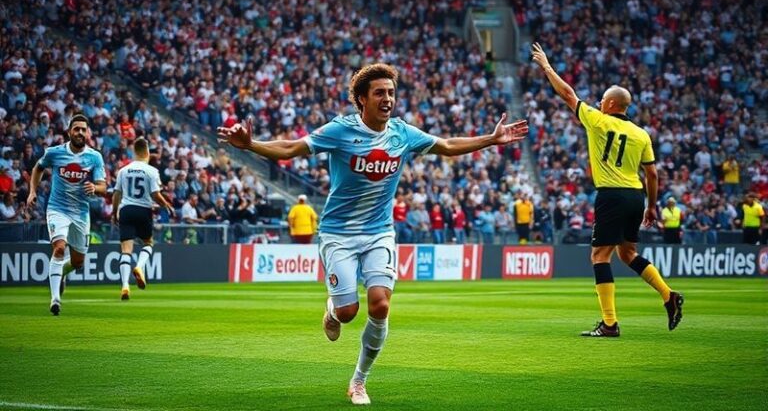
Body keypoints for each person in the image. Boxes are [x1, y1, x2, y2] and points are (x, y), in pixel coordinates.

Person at [217, 63, 528, 404]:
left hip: (379, 233)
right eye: (379, 92)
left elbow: (448, 145)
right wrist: (252, 145)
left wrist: (491, 139)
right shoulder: (340, 130)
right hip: (338, 233)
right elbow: (292, 148)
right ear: (361, 99)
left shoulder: (402, 133)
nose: (388, 99)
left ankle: (359, 381)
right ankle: (333, 311)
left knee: (380, 305)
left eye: (391, 92)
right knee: (349, 312)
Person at [531, 43, 683, 337]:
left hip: (611, 194)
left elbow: (568, 95)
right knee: (627, 254)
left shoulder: (598, 121)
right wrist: (652, 206)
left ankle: (610, 323)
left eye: (602, 99)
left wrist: (547, 67)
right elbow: (651, 172)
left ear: (612, 105)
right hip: (636, 196)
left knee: (600, 256)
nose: (599, 102)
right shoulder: (642, 134)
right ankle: (668, 295)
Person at [26, 114, 106, 316]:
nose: (80, 132)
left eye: (83, 129)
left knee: (78, 262)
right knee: (59, 249)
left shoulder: (94, 157)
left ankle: (60, 273)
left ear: (87, 133)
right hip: (57, 208)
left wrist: (94, 187)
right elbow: (38, 168)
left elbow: (103, 187)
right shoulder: (54, 153)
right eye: (76, 129)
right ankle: (55, 300)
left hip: (81, 212)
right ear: (69, 131)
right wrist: (32, 191)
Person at [111, 138, 173, 300]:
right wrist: (166, 205)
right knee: (148, 243)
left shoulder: (123, 170)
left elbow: (116, 194)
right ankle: (139, 266)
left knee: (126, 250)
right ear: (147, 152)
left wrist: (114, 212)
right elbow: (155, 195)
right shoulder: (151, 171)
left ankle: (125, 286)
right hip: (143, 210)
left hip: (125, 210)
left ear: (134, 152)